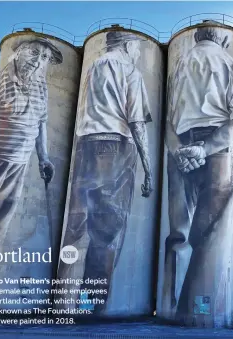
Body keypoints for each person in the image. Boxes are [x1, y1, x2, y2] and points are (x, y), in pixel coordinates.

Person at [57, 31, 153, 313]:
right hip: (114, 148)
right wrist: (148, 169)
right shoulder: (129, 70)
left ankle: (62, 303)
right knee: (107, 231)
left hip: (84, 145)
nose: (138, 51)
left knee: (74, 225)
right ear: (127, 45)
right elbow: (137, 122)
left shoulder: (93, 68)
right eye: (136, 46)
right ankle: (92, 306)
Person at [0, 37, 63, 304]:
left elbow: (41, 121)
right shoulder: (6, 76)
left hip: (20, 162)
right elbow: (17, 110)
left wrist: (43, 157)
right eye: (33, 52)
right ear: (18, 52)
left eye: (44, 58)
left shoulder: (40, 82)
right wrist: (29, 82)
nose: (38, 60)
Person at [161, 24, 233, 317]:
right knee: (212, 234)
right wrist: (205, 149)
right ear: (221, 39)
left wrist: (179, 152)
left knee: (178, 233)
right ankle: (200, 313)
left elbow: (168, 122)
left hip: (181, 149)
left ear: (197, 38)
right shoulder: (230, 64)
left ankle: (169, 307)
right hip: (216, 150)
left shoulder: (179, 66)